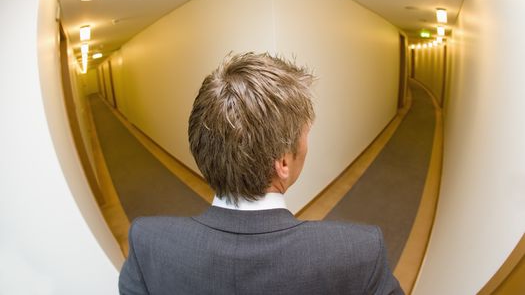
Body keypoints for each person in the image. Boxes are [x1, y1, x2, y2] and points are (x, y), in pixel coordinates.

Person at [119, 52, 403, 294]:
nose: (306, 145)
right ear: (282, 162)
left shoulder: (147, 244)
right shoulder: (359, 252)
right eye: (305, 135)